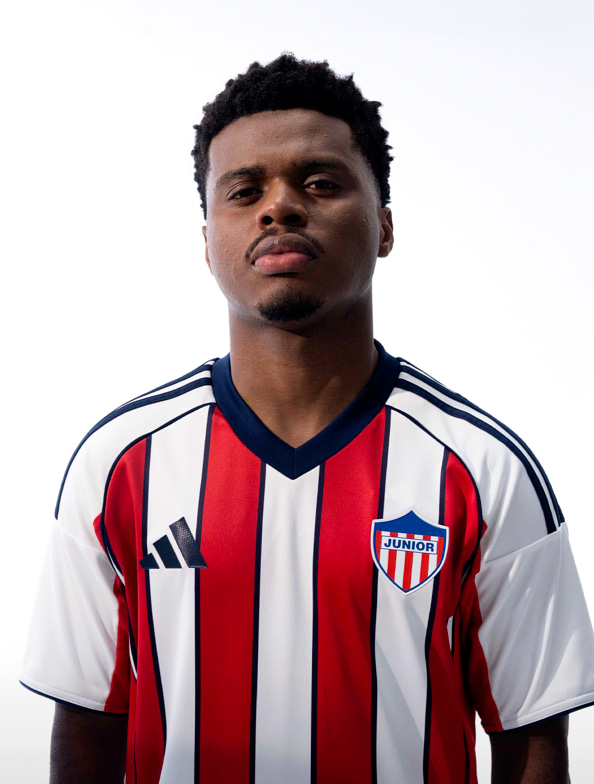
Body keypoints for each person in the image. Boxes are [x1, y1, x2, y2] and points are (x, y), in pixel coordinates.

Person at [21, 53, 594, 784]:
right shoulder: (120, 464)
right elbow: (87, 731)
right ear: (207, 245)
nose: (279, 207)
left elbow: (532, 740)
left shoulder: (484, 469)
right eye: (244, 190)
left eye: (320, 183)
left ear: (384, 226)